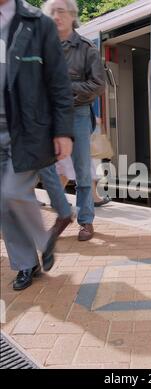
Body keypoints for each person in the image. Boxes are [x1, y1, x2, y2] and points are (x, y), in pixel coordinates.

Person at [0, 0, 74, 291]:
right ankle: (25, 264)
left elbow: (58, 81)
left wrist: (63, 131)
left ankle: (44, 240)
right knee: (3, 204)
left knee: (13, 191)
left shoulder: (37, 23)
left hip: (27, 128)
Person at [39, 0, 106, 242]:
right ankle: (63, 214)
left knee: (81, 171)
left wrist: (64, 89)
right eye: (52, 12)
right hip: (48, 116)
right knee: (46, 169)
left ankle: (86, 221)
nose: (57, 16)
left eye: (62, 11)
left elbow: (98, 85)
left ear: (72, 16)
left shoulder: (87, 48)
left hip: (77, 113)